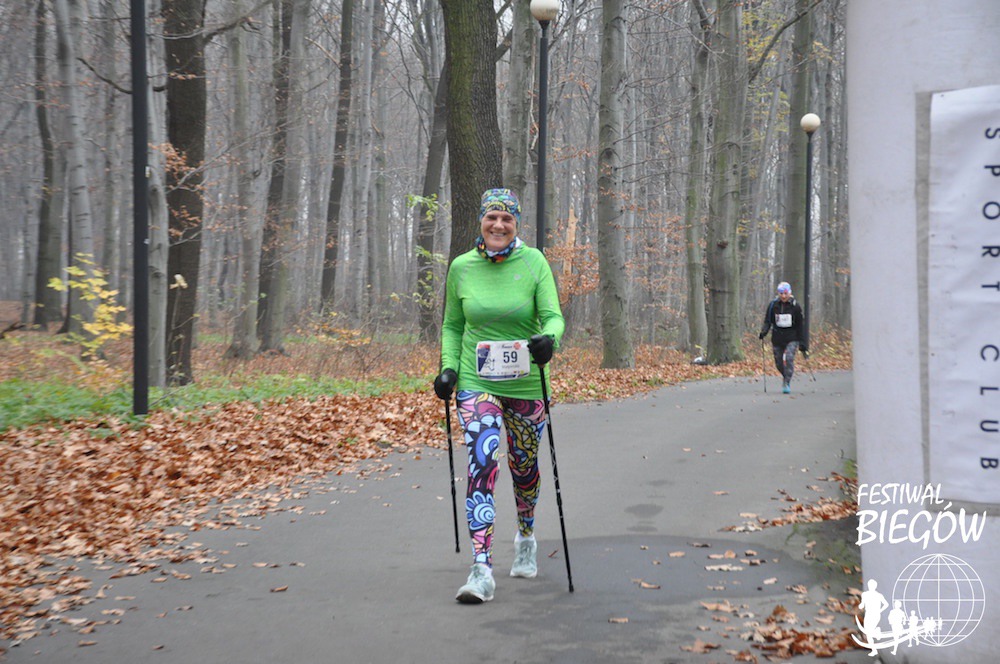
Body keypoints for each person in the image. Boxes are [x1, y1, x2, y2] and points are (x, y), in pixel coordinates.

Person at [433, 188, 565, 604]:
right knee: (482, 460)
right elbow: (453, 325)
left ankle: (526, 533)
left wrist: (549, 340)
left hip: (526, 384)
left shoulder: (534, 262)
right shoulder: (461, 267)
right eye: (492, 216)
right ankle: (482, 568)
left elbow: (553, 317)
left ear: (516, 224)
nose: (498, 225)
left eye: (507, 218)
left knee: (524, 468)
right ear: (481, 221)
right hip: (478, 381)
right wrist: (448, 369)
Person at [758, 281, 806, 394]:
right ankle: (785, 375)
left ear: (790, 293)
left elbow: (800, 325)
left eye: (785, 293)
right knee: (779, 363)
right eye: (781, 293)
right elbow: (768, 321)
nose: (783, 296)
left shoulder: (795, 306)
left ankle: (787, 382)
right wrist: (764, 332)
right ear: (778, 293)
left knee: (788, 358)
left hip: (792, 337)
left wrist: (802, 342)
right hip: (777, 337)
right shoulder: (773, 305)